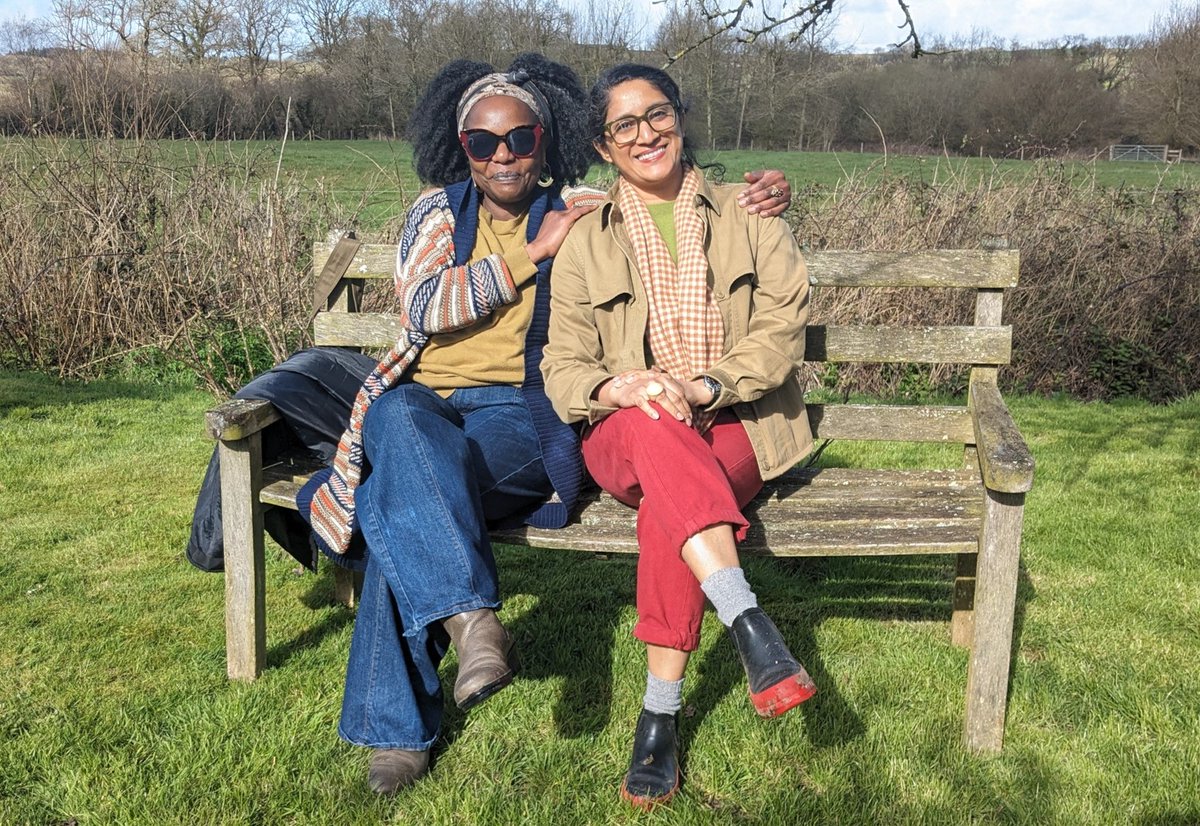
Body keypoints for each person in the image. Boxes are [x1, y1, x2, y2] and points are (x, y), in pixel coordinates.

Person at [294, 54, 795, 795]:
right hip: (425, 408)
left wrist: (772, 189)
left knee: (389, 501)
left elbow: (662, 196)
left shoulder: (582, 207)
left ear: (547, 142)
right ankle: (472, 622)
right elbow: (424, 307)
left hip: (521, 416)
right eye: (483, 142)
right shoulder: (436, 213)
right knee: (399, 430)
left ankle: (400, 730)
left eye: (521, 139)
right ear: (457, 146)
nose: (503, 155)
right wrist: (532, 255)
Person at [541, 63, 817, 809]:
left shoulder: (752, 214)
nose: (645, 134)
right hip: (623, 430)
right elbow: (562, 363)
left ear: (681, 118)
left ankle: (657, 717)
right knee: (656, 430)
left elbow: (780, 328)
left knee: (673, 504)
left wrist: (706, 386)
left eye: (655, 115)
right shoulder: (583, 237)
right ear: (604, 144)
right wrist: (617, 387)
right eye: (624, 125)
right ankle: (749, 623)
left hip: (736, 423)